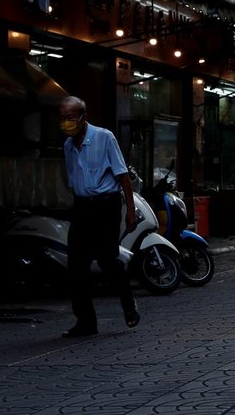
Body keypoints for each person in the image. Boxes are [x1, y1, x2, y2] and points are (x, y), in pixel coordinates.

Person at [58, 95, 140, 338]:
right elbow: (74, 182)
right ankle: (86, 322)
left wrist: (131, 210)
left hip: (106, 206)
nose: (66, 123)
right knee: (76, 266)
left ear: (84, 118)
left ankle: (128, 303)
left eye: (70, 117)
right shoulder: (67, 146)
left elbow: (123, 176)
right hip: (82, 207)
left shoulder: (104, 137)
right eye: (62, 118)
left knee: (107, 259)